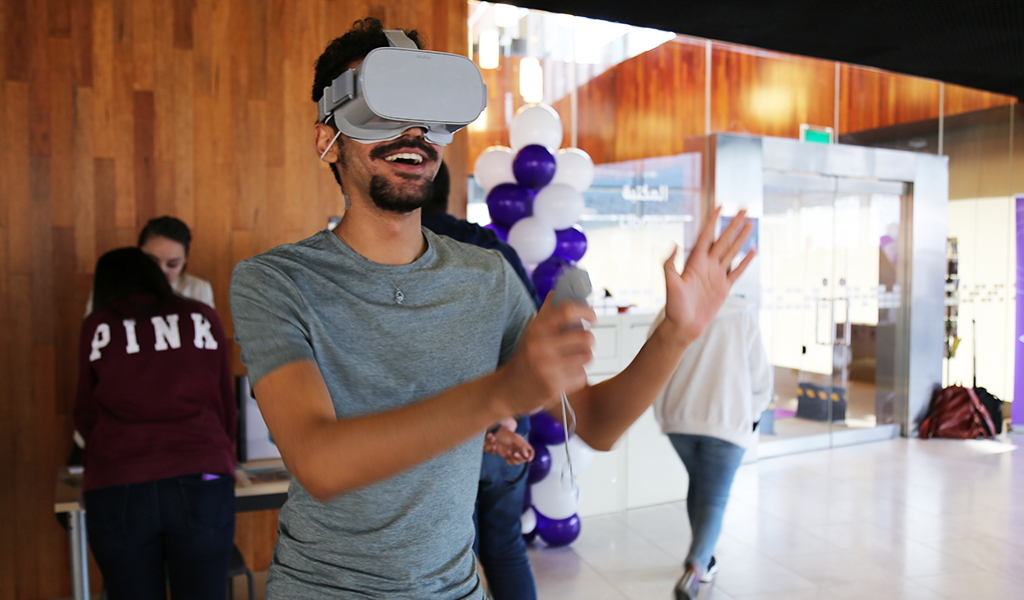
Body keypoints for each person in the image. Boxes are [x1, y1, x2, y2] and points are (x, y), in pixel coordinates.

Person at [229, 17, 754, 599]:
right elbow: (319, 461)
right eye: (382, 109)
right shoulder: (275, 283)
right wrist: (501, 393)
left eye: (427, 112)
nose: (412, 132)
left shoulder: (486, 277)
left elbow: (596, 423)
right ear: (328, 135)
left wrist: (676, 334)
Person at [74, 247, 236, 600]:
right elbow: (226, 402)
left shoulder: (98, 326)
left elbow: (85, 414)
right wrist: (219, 456)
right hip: (202, 474)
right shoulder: (202, 316)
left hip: (118, 481)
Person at [423, 161, 540, 600]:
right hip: (509, 427)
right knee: (506, 546)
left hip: (448, 430)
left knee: (453, 560)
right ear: (450, 193)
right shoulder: (494, 248)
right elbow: (529, 343)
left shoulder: (404, 251)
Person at [647, 294, 772, 600]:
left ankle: (706, 557)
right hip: (728, 421)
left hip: (679, 420)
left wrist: (662, 412)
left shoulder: (672, 310)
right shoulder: (743, 313)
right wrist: (753, 414)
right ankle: (696, 566)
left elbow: (652, 365)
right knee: (714, 498)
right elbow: (761, 376)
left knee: (701, 486)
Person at [85, 216, 214, 315]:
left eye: (172, 264)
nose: (161, 270)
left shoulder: (198, 290)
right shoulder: (111, 286)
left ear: (184, 262)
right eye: (152, 261)